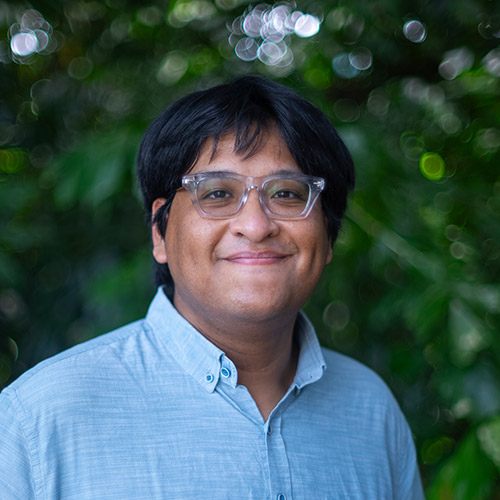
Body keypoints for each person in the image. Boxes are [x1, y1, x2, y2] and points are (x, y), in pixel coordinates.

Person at [0, 75, 424, 499]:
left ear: (328, 236)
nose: (255, 226)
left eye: (287, 194)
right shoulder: (38, 418)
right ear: (160, 232)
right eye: (218, 193)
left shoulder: (372, 412)